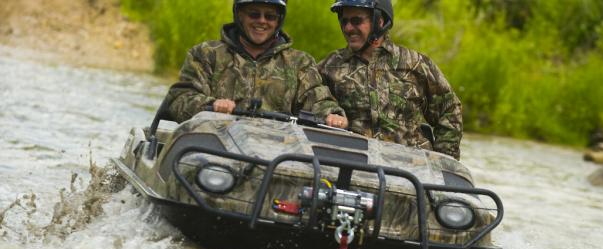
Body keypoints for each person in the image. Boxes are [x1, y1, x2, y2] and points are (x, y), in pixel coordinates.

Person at [165, 0, 348, 129]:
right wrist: (211, 105)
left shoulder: (299, 63)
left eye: (270, 16)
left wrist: (331, 115)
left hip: (277, 156)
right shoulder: (206, 54)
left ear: (279, 21)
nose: (262, 21)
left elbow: (318, 99)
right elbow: (179, 98)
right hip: (213, 148)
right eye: (254, 14)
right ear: (239, 15)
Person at [318, 0, 463, 159]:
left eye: (356, 21)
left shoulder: (415, 64)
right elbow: (309, 99)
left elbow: (449, 110)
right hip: (352, 165)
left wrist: (442, 162)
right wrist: (328, 111)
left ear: (379, 21)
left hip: (410, 171)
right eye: (344, 21)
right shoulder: (330, 66)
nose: (348, 28)